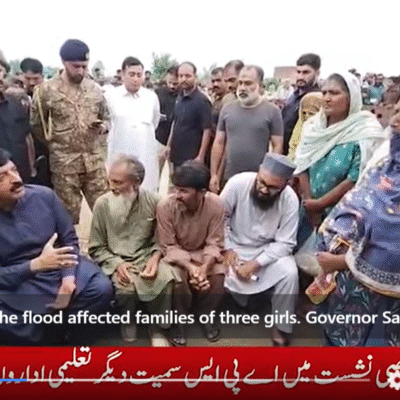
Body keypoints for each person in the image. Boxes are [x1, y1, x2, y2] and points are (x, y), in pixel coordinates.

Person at [0, 148, 113, 344]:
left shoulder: (44, 196)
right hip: (19, 280)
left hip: (60, 266)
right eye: (3, 177)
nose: (16, 179)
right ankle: (50, 335)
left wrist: (68, 281)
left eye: (14, 170)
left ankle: (66, 333)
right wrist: (35, 265)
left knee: (100, 290)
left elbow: (69, 239)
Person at [315, 104, 400, 346]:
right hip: (349, 291)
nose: (395, 120)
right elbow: (359, 201)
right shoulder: (386, 161)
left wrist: (342, 262)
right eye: (396, 111)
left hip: (387, 305)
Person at [89, 155, 175, 345]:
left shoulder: (154, 201)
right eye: (110, 181)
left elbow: (161, 239)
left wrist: (155, 257)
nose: (112, 187)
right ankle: (128, 321)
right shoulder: (102, 204)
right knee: (125, 287)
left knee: (166, 277)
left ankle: (157, 328)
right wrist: (118, 264)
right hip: (116, 259)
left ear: (136, 182)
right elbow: (96, 247)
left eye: (118, 182)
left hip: (146, 257)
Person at [294, 72, 386, 247]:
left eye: (334, 93)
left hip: (342, 213)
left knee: (325, 258)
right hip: (306, 208)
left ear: (351, 97)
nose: (327, 98)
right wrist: (309, 203)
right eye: (324, 93)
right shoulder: (313, 127)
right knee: (295, 254)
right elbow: (302, 163)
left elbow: (356, 178)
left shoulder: (365, 131)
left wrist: (320, 204)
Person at [220, 153, 299, 346]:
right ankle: (244, 302)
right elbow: (218, 218)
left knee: (289, 272)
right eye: (261, 182)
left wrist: (257, 263)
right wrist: (227, 248)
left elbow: (286, 243)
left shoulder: (290, 199)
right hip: (234, 246)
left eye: (272, 187)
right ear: (258, 172)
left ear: (285, 185)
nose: (263, 189)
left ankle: (281, 327)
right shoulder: (237, 183)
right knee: (224, 270)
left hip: (267, 251)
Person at [31, 39, 109, 224]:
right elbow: (37, 126)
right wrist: (58, 145)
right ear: (64, 63)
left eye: (84, 66)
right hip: (64, 167)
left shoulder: (94, 89)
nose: (81, 71)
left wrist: (103, 127)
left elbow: (106, 116)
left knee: (107, 214)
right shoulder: (45, 91)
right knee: (66, 219)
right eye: (76, 66)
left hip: (94, 164)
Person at [156, 161, 225, 345]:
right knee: (177, 279)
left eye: (184, 191)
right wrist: (191, 267)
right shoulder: (165, 206)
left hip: (203, 254)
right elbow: (168, 246)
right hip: (177, 256)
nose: (177, 195)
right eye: (176, 189)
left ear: (201, 192)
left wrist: (204, 268)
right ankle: (179, 321)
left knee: (218, 274)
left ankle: (206, 315)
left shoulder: (216, 205)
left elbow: (215, 242)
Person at [210, 65, 283, 193]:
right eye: (240, 83)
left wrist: (267, 176)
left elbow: (277, 146)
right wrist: (214, 174)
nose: (242, 88)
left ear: (260, 85)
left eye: (248, 83)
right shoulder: (227, 109)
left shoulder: (272, 111)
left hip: (257, 181)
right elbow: (219, 142)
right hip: (229, 179)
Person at [106, 57, 161, 193]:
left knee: (146, 192)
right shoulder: (111, 96)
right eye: (131, 74)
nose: (136, 79)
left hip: (145, 154)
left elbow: (155, 122)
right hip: (119, 153)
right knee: (119, 193)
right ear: (122, 75)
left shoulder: (151, 97)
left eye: (139, 75)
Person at [165, 62, 213, 169]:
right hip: (176, 155)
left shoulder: (202, 101)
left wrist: (201, 156)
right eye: (181, 76)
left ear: (195, 77)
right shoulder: (179, 98)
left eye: (188, 76)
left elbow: (207, 130)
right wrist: (168, 146)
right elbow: (175, 123)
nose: (183, 79)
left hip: (192, 159)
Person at [0, 53, 32, 183]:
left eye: (0, 71)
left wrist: (31, 169)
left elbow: (27, 138)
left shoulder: (15, 103)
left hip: (21, 176)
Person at [282, 53, 321, 155]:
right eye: (298, 72)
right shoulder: (293, 96)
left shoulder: (316, 98)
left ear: (317, 73)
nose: (300, 76)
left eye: (306, 72)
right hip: (285, 152)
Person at [287, 92, 323, 160]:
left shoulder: (325, 133)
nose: (307, 116)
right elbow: (292, 148)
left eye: (311, 114)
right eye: (304, 113)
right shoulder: (299, 128)